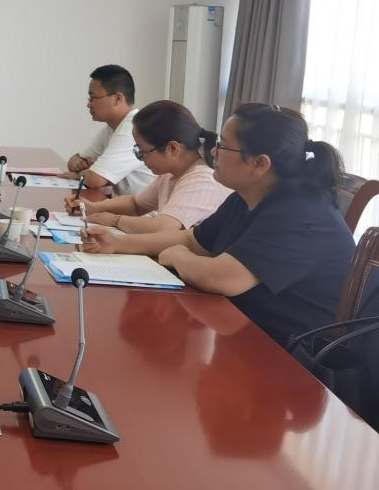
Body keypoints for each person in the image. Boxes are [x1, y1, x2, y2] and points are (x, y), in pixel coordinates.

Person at [83, 104, 355, 347]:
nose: (213, 151)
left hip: (295, 358)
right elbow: (193, 240)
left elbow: (222, 278)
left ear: (259, 163)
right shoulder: (246, 197)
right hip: (246, 331)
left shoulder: (300, 214)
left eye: (223, 146)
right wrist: (119, 243)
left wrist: (177, 257)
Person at [63, 100, 228, 234]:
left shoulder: (202, 179)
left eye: (142, 151)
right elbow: (136, 204)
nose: (141, 159)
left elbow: (162, 228)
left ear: (172, 149)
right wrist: (94, 208)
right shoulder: (171, 173)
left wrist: (114, 220)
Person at [63, 64, 154, 196]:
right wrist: (78, 165)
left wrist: (79, 175)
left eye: (93, 98)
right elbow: (76, 161)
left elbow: (95, 179)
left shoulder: (133, 129)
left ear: (118, 98)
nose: (88, 104)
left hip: (145, 208)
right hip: (124, 204)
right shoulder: (112, 127)